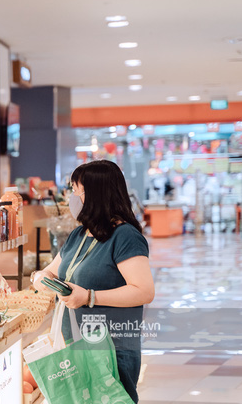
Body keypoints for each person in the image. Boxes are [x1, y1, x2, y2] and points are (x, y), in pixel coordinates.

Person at [32, 160, 154, 403]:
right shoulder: (78, 235)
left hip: (111, 349)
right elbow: (50, 272)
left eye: (77, 191)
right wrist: (41, 279)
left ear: (97, 194)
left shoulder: (125, 236)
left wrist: (89, 297)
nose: (72, 199)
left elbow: (144, 291)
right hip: (75, 345)